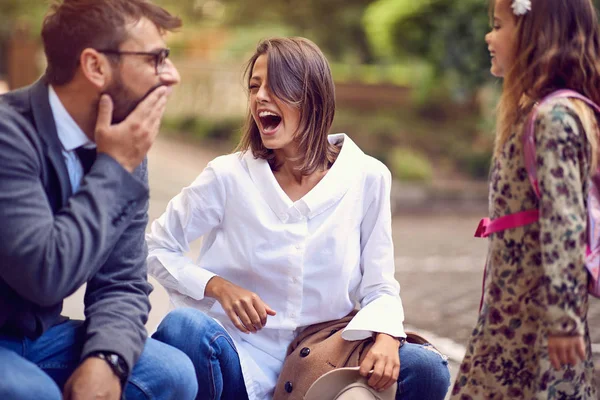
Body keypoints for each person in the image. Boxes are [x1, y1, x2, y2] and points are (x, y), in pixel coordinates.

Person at [147, 37, 450, 400]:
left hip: (324, 358)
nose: (259, 97)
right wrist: (217, 286)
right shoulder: (227, 176)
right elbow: (157, 246)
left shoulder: (367, 177)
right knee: (184, 327)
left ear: (311, 96)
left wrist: (387, 336)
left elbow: (380, 286)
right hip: (236, 356)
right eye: (254, 87)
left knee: (426, 368)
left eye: (274, 87)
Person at [0, 1, 198, 399]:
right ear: (95, 67)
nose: (171, 76)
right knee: (34, 393)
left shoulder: (120, 145)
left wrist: (108, 359)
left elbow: (122, 282)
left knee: (173, 373)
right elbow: (44, 274)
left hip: (38, 338)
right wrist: (113, 166)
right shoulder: (9, 135)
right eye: (156, 58)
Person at [451, 0, 600, 398]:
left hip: (532, 323)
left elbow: (565, 222)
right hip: (508, 315)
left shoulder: (555, 119)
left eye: (498, 26)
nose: (489, 36)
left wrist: (564, 320)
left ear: (535, 35)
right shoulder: (535, 113)